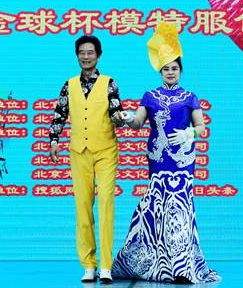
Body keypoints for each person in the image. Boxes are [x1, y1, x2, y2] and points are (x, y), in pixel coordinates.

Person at [112, 22, 221, 284]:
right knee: (156, 207)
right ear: (160, 71)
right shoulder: (149, 96)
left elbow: (202, 128)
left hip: (182, 161)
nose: (170, 72)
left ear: (181, 71)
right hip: (158, 160)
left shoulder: (190, 97)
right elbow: (138, 123)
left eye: (174, 68)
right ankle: (152, 264)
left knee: (180, 208)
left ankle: (182, 267)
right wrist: (127, 118)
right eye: (166, 69)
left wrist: (188, 134)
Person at [49, 35, 124, 284]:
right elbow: (59, 114)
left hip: (105, 151)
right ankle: (89, 265)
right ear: (77, 56)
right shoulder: (68, 85)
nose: (86, 56)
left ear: (98, 56)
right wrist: (54, 140)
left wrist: (120, 118)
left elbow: (115, 110)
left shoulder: (109, 83)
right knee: (83, 207)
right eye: (82, 52)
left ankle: (106, 266)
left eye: (90, 52)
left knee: (105, 204)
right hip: (78, 151)